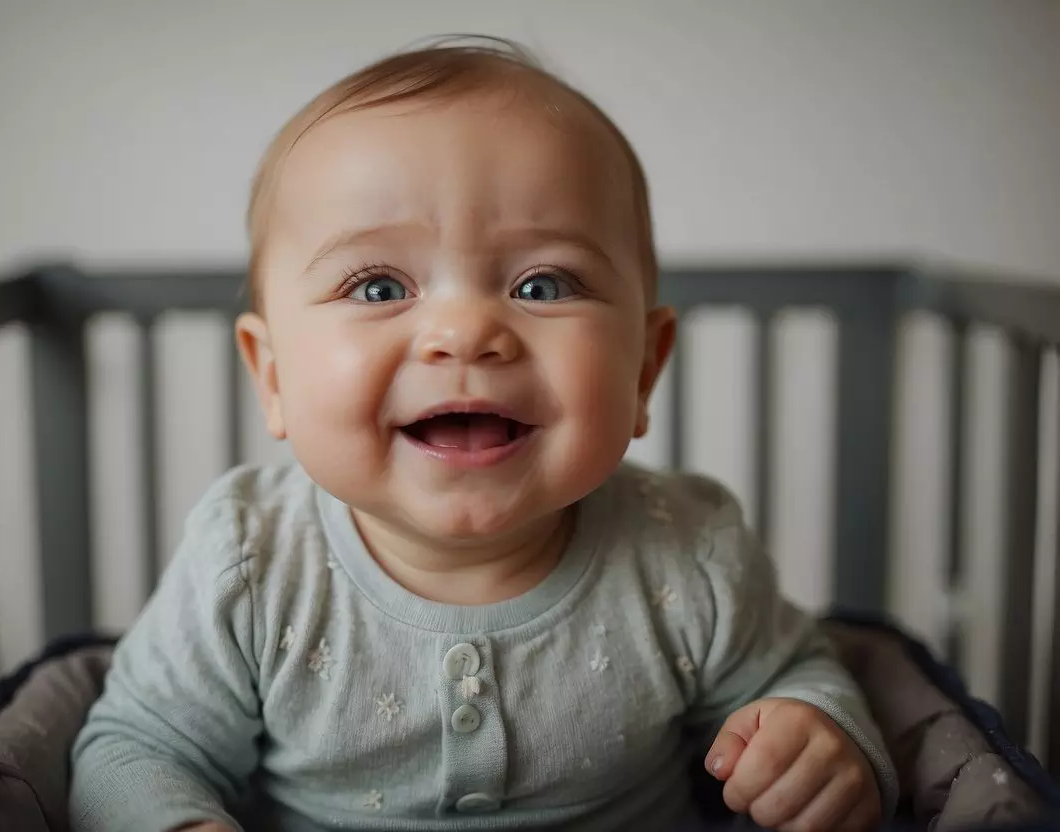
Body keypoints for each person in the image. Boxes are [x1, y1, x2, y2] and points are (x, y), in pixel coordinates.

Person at [69, 36, 898, 832]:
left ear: (643, 370)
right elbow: (139, 749)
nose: (465, 332)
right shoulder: (248, 563)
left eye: (542, 284)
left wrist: (815, 738)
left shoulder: (687, 552)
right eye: (376, 286)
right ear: (273, 375)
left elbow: (798, 677)